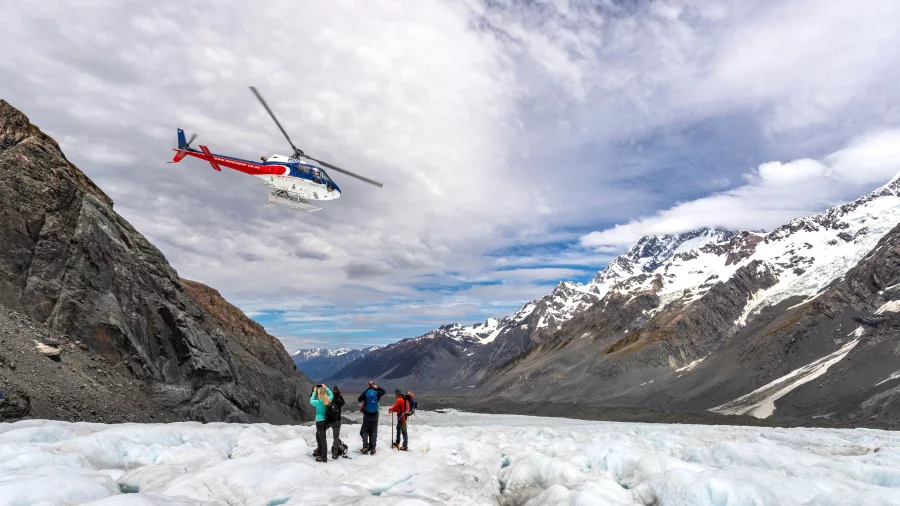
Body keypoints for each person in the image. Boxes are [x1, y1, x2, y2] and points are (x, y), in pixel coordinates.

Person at [358, 380, 385, 455]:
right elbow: (383, 392)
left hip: (367, 415)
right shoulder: (377, 392)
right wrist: (377, 388)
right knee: (374, 432)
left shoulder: (366, 392)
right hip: (375, 415)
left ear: (368, 385)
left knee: (365, 431)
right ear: (374, 385)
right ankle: (373, 448)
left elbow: (359, 399)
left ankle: (365, 447)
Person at [309, 384, 333, 463]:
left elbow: (311, 400)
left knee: (322, 438)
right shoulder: (327, 400)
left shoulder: (317, 402)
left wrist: (314, 392)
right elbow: (331, 394)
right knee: (319, 435)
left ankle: (323, 456)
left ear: (319, 394)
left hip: (319, 421)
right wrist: (326, 388)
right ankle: (320, 451)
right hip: (325, 420)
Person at [327, 386, 346, 459]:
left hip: (329, 421)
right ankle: (335, 453)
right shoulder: (339, 402)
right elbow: (343, 402)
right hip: (337, 421)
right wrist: (340, 397)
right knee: (336, 437)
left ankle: (321, 449)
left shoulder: (330, 400)